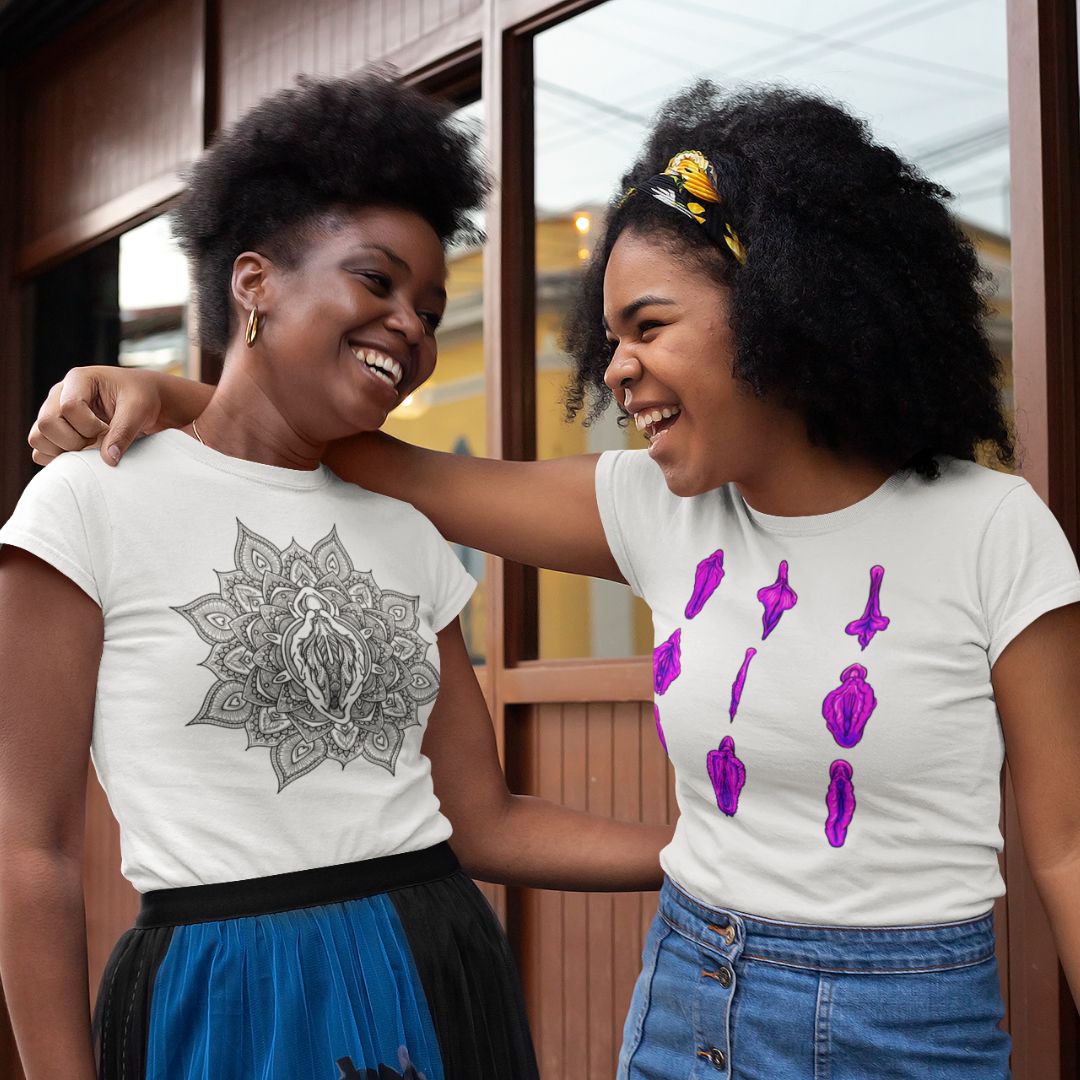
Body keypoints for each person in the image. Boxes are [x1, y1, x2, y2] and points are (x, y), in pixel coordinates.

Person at [29, 82, 1080, 1078]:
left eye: (648, 327)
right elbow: (343, 440)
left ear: (787, 308)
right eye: (610, 337)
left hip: (874, 1016)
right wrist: (177, 392)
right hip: (672, 989)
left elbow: (1070, 850)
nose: (615, 368)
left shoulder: (991, 529)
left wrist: (187, 387)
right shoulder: (657, 509)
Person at [0, 72, 673, 1080]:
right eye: (377, 280)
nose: (409, 323)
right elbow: (27, 852)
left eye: (429, 306)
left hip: (434, 966)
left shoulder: (407, 527)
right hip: (226, 996)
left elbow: (482, 819)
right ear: (255, 281)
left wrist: (701, 859)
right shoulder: (88, 502)